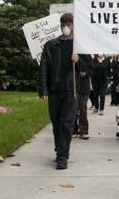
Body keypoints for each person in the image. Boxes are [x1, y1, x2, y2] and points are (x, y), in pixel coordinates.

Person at [39, 13, 79, 170]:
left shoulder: (79, 46)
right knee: (56, 124)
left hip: (71, 90)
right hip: (55, 90)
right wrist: (43, 89)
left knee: (66, 124)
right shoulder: (51, 45)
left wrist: (79, 60)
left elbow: (89, 69)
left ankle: (62, 156)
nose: (66, 26)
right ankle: (60, 148)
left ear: (74, 25)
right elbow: (43, 68)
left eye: (69, 23)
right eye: (63, 23)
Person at [72, 53, 93, 139]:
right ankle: (73, 129)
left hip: (84, 86)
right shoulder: (70, 52)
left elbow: (91, 70)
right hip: (73, 86)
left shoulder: (86, 54)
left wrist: (86, 73)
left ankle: (83, 130)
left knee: (83, 107)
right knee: (73, 109)